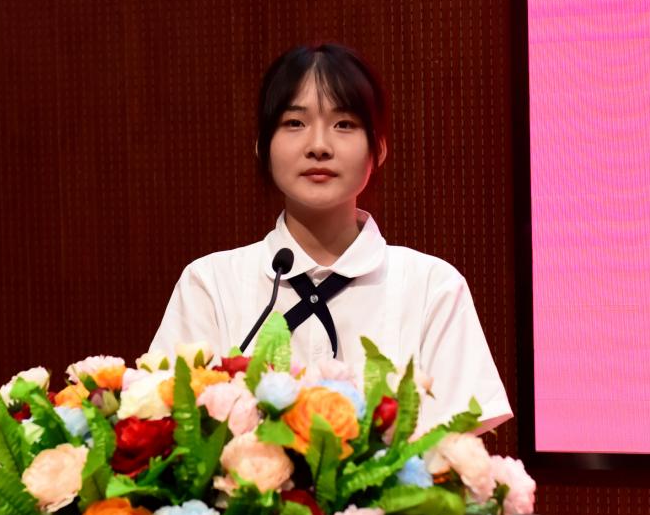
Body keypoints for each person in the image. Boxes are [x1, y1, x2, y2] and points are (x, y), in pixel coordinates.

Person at [149, 43, 511, 434]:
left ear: (379, 149)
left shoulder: (432, 287)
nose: (318, 146)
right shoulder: (209, 284)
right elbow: (167, 428)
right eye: (294, 123)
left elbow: (455, 450)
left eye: (344, 124)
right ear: (262, 147)